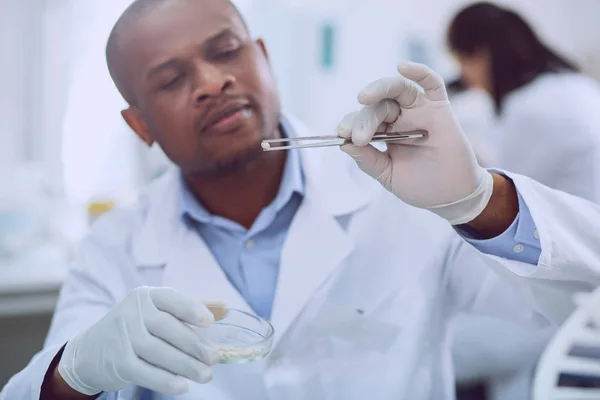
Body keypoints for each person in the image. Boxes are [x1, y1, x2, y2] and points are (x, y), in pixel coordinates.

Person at [2, 1, 600, 399]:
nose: (212, 82)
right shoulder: (114, 246)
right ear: (140, 126)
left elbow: (580, 310)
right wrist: (74, 371)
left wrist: (478, 201)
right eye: (171, 79)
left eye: (226, 50)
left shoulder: (400, 200)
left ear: (262, 56)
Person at [446, 3, 600, 398]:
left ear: (480, 54)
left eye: (462, 60)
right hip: (580, 270)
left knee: (439, 343)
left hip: (576, 291)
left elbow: (494, 202)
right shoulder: (575, 88)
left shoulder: (532, 108)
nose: (465, 75)